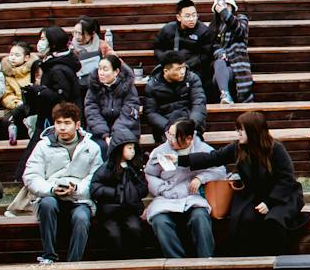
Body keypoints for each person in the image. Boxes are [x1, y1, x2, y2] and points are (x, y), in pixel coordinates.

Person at [25, 103, 101, 262]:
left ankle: (74, 262)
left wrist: (77, 189)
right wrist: (51, 189)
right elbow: (32, 175)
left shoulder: (92, 147)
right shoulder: (42, 146)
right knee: (47, 204)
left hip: (79, 198)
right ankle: (49, 256)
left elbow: (95, 177)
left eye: (67, 123)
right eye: (58, 123)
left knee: (82, 218)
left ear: (77, 124)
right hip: (50, 195)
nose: (62, 128)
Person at [144, 120, 225, 259]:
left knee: (200, 217)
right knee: (159, 221)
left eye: (175, 136)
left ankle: (206, 259)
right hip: (167, 198)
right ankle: (176, 261)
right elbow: (149, 174)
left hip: (193, 198)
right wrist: (161, 188)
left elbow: (221, 170)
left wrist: (201, 178)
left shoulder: (203, 149)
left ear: (189, 138)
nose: (170, 140)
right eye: (169, 135)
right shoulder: (160, 151)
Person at [90, 137, 151, 257]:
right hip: (110, 212)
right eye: (129, 148)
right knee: (114, 235)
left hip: (130, 210)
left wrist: (132, 192)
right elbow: (95, 187)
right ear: (119, 149)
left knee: (135, 229)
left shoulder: (135, 168)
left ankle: (135, 260)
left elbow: (143, 187)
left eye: (133, 148)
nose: (132, 151)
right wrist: (115, 193)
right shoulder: (107, 168)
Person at [143, 54, 207, 143]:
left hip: (190, 123)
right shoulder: (153, 85)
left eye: (183, 67)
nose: (182, 72)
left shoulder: (192, 79)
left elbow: (199, 104)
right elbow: (150, 113)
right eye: (178, 69)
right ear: (166, 71)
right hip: (166, 128)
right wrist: (170, 127)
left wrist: (190, 125)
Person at [83, 54, 140, 152]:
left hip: (124, 129)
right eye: (99, 69)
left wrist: (115, 135)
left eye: (105, 69)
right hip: (99, 130)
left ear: (116, 72)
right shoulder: (94, 87)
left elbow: (128, 114)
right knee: (99, 148)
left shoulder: (128, 88)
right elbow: (92, 112)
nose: (101, 73)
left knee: (121, 148)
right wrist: (105, 135)